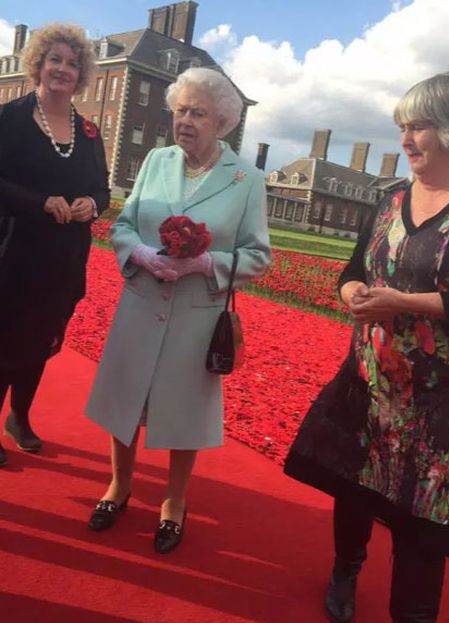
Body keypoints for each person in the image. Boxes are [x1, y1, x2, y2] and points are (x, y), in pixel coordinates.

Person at [284, 71, 449, 623]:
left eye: (420, 126)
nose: (406, 138)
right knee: (355, 489)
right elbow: (355, 269)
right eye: (403, 126)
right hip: (370, 381)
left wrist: (407, 303)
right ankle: (345, 572)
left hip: (442, 402)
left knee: (420, 525)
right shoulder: (389, 198)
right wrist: (352, 290)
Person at [85, 67, 271, 552]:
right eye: (179, 111)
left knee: (184, 411)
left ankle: (174, 501)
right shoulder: (155, 161)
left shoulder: (246, 179)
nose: (184, 121)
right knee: (126, 400)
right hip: (142, 302)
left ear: (224, 121)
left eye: (198, 113)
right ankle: (119, 486)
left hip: (197, 313)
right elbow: (123, 225)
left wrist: (207, 262)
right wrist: (141, 253)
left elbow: (258, 255)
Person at [0, 24, 110, 468]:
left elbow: (102, 190)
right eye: (55, 60)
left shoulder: (88, 132)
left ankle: (20, 417)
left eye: (72, 63)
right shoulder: (8, 119)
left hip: (63, 259)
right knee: (3, 342)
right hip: (12, 252)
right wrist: (39, 203)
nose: (63, 69)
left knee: (42, 340)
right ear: (38, 65)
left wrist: (91, 204)